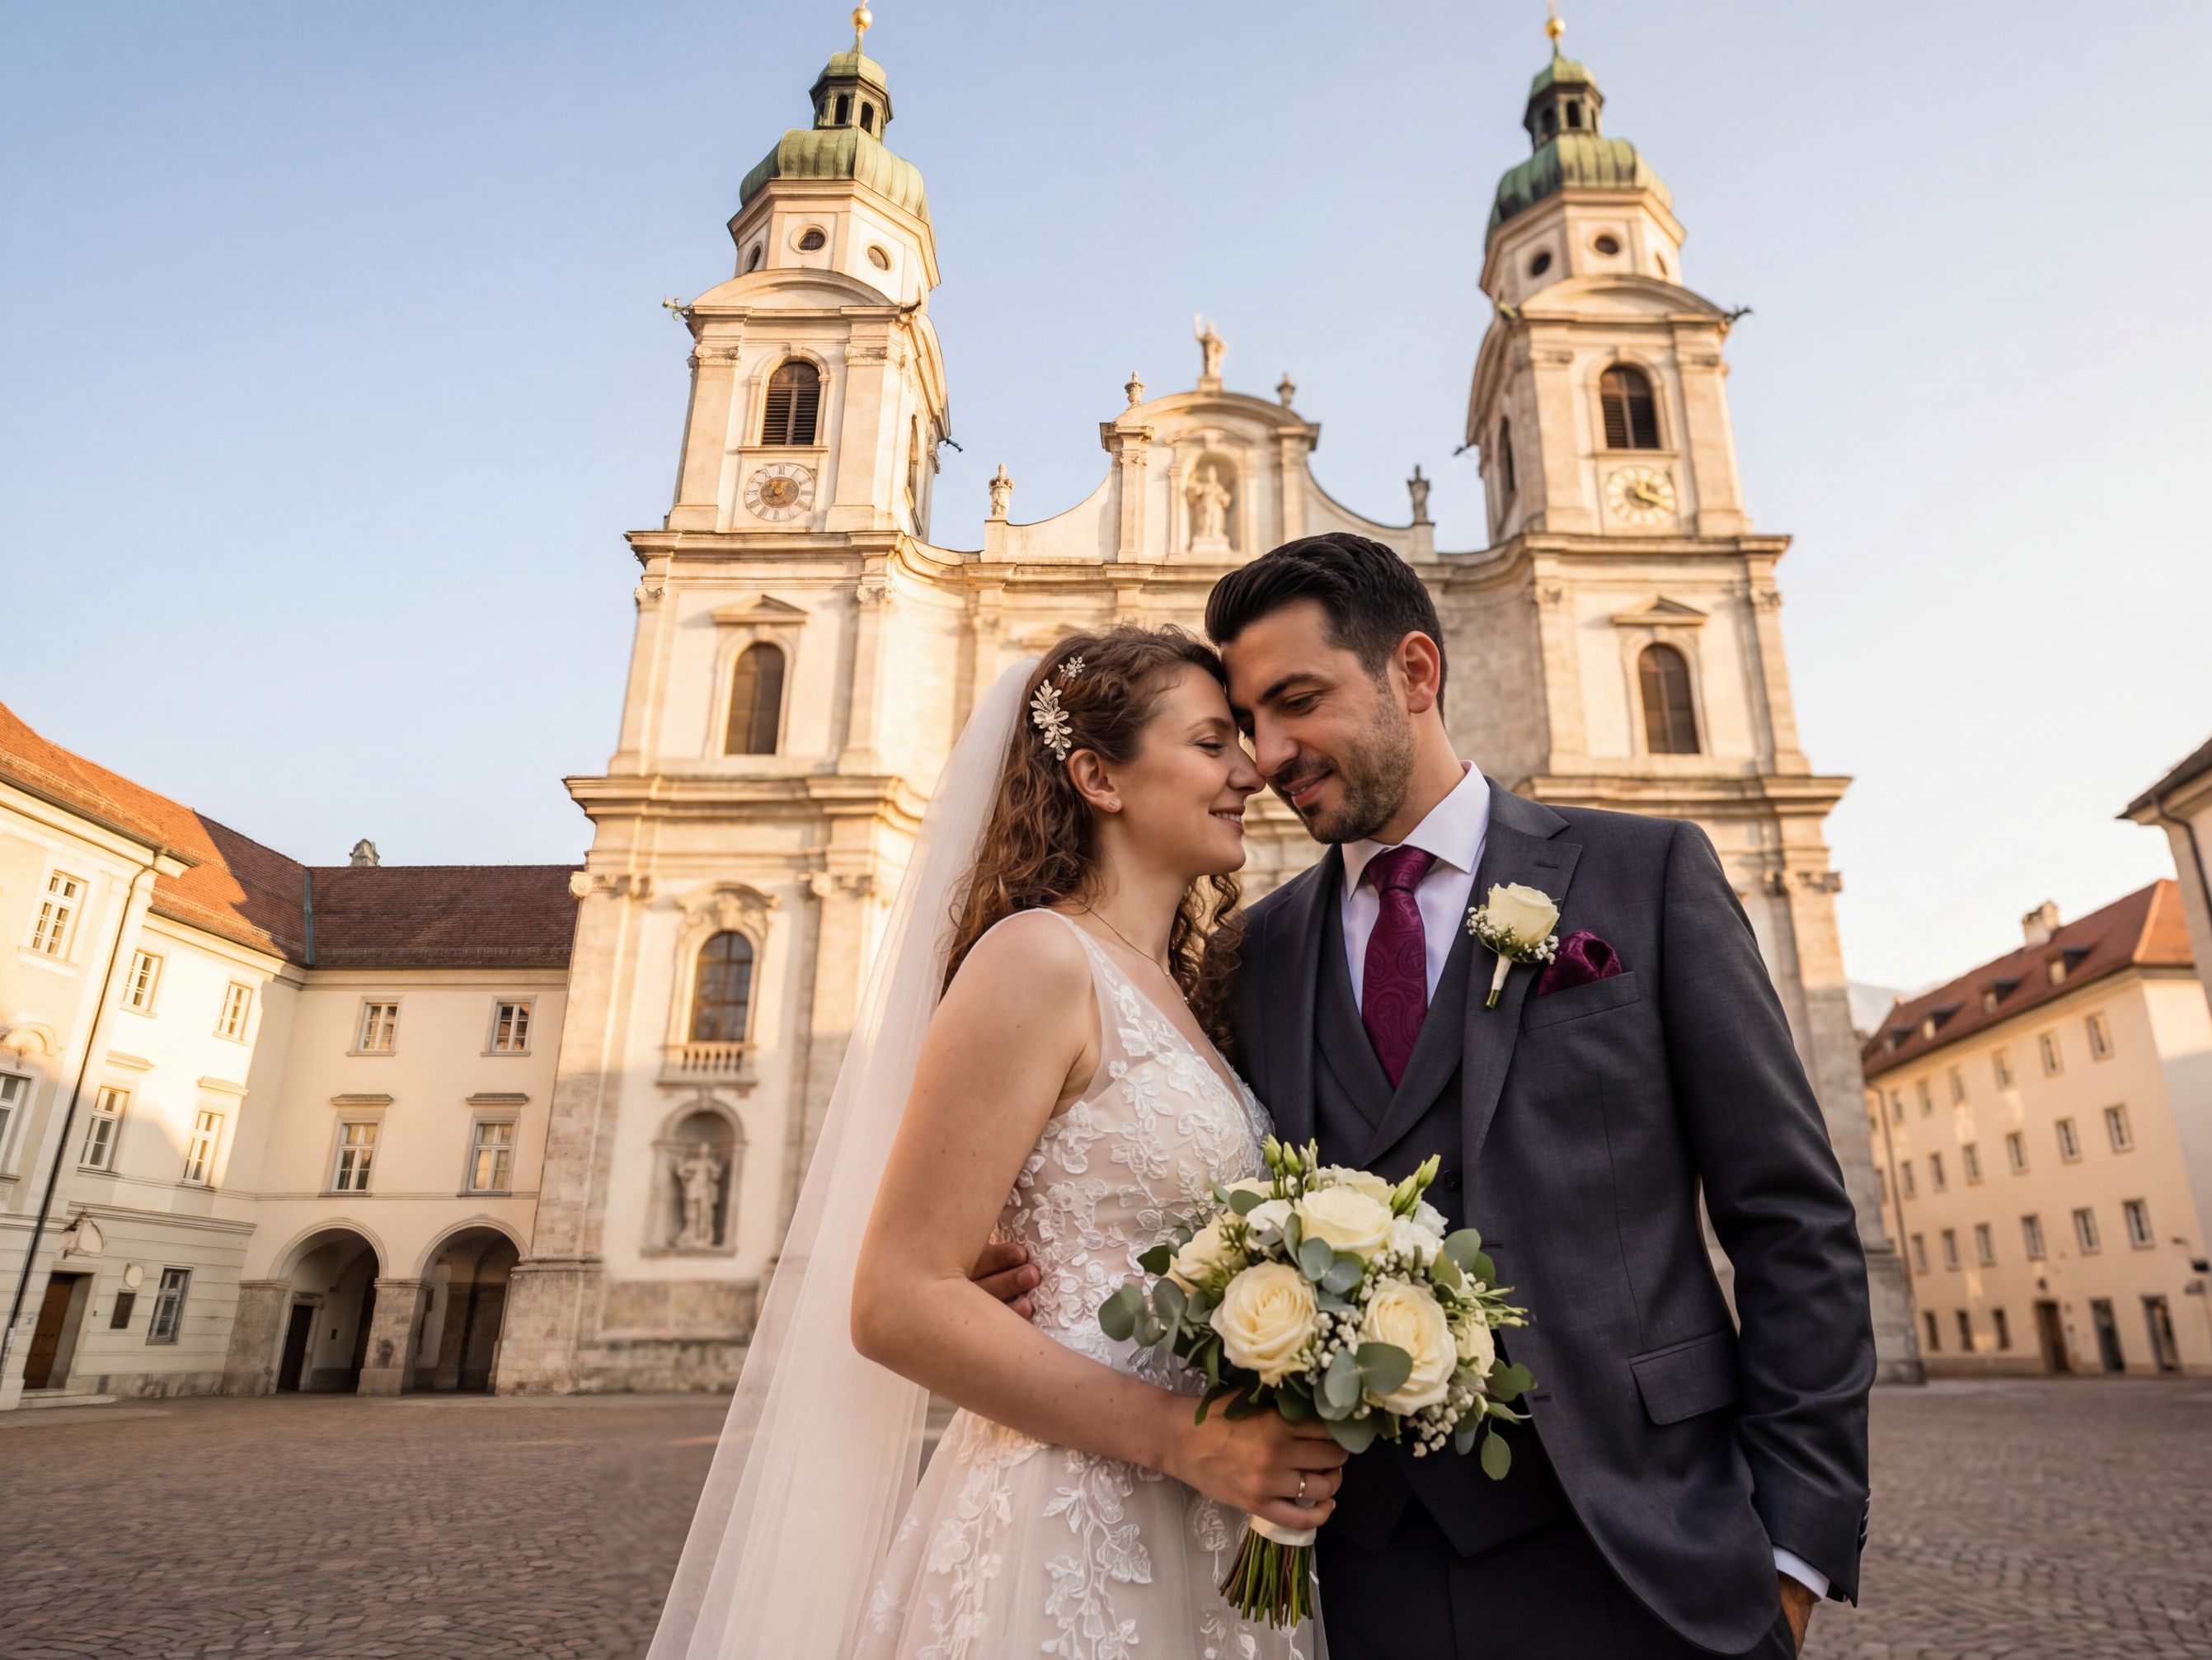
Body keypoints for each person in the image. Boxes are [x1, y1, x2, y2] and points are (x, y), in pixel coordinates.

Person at [1197, 533, 1874, 1658]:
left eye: (1297, 702)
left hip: (1644, 1554)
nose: (1268, 754)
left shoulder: (1643, 874)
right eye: (1248, 721)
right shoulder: (1254, 950)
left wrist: (1791, 1557)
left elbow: (1792, 1214)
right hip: (1361, 1586)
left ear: (1415, 672)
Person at [647, 628, 1336, 1660]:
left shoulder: (1187, 993)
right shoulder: (1036, 958)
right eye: (1211, 744)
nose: (1252, 769)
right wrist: (1178, 1435)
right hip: (1070, 1520)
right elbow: (895, 1300)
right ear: (1098, 776)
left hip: (1202, 1516)